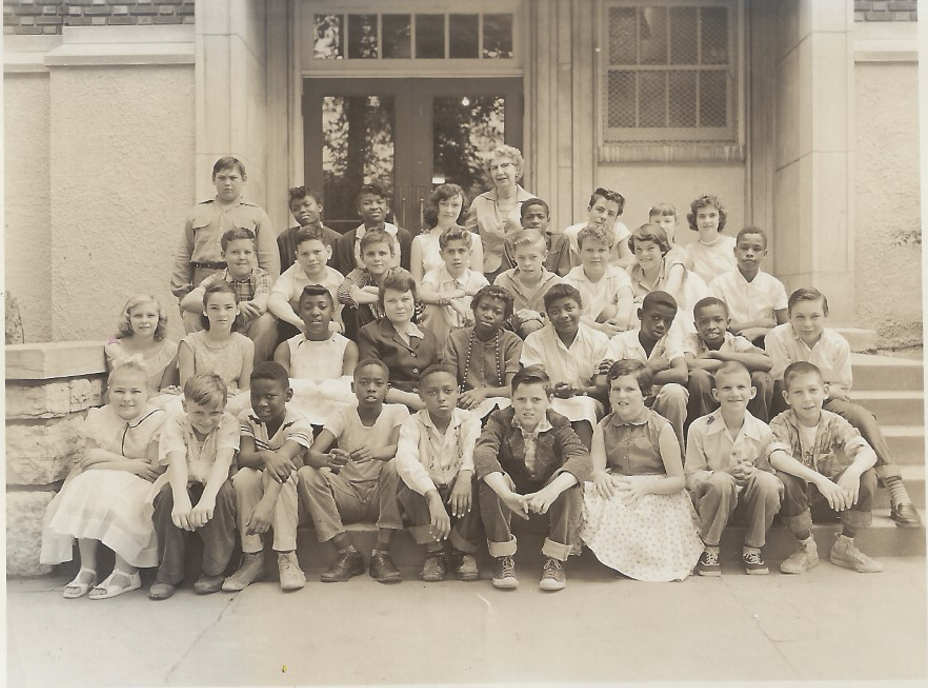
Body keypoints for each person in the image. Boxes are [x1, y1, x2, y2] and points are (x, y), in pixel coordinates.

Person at [765, 287, 921, 526]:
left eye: (815, 316)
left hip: (825, 403)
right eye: (800, 317)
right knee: (784, 390)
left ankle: (896, 490)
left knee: (861, 415)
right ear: (789, 316)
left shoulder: (838, 344)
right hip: (786, 400)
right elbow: (780, 379)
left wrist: (822, 391)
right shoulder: (778, 336)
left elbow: (841, 391)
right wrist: (821, 387)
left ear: (825, 316)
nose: (807, 324)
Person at [41, 361, 166, 599]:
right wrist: (129, 464)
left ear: (147, 393)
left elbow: (151, 468)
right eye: (119, 391)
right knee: (84, 484)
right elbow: (88, 461)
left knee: (121, 494)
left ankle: (126, 571)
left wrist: (105, 458)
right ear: (109, 392)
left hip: (141, 484)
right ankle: (87, 568)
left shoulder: (157, 419)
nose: (126, 398)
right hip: (110, 476)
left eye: (135, 392)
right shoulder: (99, 416)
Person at [474, 366, 594, 592]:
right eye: (521, 399)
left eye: (536, 400)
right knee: (491, 480)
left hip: (545, 503)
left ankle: (556, 560)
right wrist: (507, 495)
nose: (528, 407)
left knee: (570, 481)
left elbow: (582, 458)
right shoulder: (500, 420)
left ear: (549, 400)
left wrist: (551, 491)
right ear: (512, 399)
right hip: (512, 503)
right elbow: (483, 453)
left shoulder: (558, 423)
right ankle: (502, 557)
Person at [581, 360, 702, 581]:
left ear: (645, 393)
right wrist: (598, 474)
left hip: (655, 487)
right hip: (620, 482)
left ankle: (644, 561)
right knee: (596, 495)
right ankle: (620, 558)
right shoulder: (604, 427)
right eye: (616, 389)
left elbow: (678, 480)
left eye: (629, 389)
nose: (621, 396)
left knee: (645, 508)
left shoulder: (661, 428)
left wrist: (646, 486)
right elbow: (595, 469)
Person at [297, 359, 408, 583]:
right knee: (307, 473)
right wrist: (329, 459)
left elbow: (398, 449)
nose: (371, 388)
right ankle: (347, 552)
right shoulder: (343, 413)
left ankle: (382, 553)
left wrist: (375, 452)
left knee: (396, 465)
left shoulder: (398, 410)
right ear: (352, 387)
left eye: (378, 383)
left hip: (381, 495)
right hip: (347, 494)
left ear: (387, 388)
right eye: (364, 382)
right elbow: (311, 455)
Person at [768, 362, 883, 574]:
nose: (807, 398)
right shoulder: (780, 423)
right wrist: (820, 481)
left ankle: (845, 546)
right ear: (787, 397)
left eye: (813, 390)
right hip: (797, 502)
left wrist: (853, 472)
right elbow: (776, 458)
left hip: (832, 500)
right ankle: (806, 548)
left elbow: (869, 453)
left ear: (825, 391)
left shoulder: (836, 422)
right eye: (798, 392)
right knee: (784, 478)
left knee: (867, 473)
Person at [684, 361, 786, 576]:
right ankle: (710, 547)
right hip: (713, 502)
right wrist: (721, 475)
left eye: (741, 387)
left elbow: (769, 474)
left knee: (768, 483)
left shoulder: (762, 430)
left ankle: (753, 546)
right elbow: (690, 476)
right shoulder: (700, 427)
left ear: (752, 392)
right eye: (727, 388)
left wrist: (754, 473)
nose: (734, 394)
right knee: (721, 482)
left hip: (749, 505)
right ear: (715, 393)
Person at [222, 362, 313, 593]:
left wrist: (265, 505)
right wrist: (265, 456)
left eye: (270, 396)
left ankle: (287, 556)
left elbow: (282, 466)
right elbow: (244, 457)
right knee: (244, 476)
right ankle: (253, 558)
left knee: (287, 474)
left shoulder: (300, 423)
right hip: (258, 501)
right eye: (256, 396)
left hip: (291, 504)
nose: (262, 403)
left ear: (288, 394)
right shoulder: (247, 418)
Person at [148, 374, 239, 600]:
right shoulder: (175, 422)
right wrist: (181, 499)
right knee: (167, 495)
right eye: (198, 412)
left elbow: (223, 461)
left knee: (224, 493)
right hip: (184, 481)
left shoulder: (229, 423)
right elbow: (176, 460)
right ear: (184, 405)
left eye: (214, 413)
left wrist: (207, 499)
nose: (206, 420)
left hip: (214, 483)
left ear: (224, 408)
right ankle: (169, 573)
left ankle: (214, 570)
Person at [394, 364, 483, 582]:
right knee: (411, 483)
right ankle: (435, 552)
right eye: (432, 393)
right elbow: (406, 459)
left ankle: (464, 551)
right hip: (429, 500)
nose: (441, 398)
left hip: (459, 496)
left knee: (477, 481)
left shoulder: (469, 420)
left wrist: (464, 475)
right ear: (421, 395)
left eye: (448, 391)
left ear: (458, 391)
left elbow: (474, 450)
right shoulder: (412, 423)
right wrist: (431, 495)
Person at [170, 156, 278, 305]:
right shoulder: (197, 213)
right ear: (213, 179)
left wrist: (265, 295)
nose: (227, 183)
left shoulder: (256, 214)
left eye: (233, 178)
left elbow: (269, 260)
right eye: (222, 178)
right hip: (204, 279)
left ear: (244, 179)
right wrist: (182, 294)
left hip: (243, 283)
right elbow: (184, 254)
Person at [521, 283, 609, 449]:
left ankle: (582, 462)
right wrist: (553, 390)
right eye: (555, 311)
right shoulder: (535, 340)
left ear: (581, 309)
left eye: (569, 308)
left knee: (583, 406)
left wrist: (577, 390)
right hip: (548, 398)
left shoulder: (598, 339)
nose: (563, 315)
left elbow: (601, 387)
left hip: (587, 399)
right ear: (547, 315)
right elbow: (533, 384)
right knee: (542, 409)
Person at [599, 291, 689, 449]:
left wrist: (638, 375)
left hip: (659, 403)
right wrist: (649, 368)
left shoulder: (670, 340)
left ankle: (675, 449)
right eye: (655, 317)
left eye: (668, 321)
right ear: (640, 314)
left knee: (675, 392)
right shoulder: (621, 341)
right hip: (628, 402)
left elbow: (681, 374)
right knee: (623, 392)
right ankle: (625, 450)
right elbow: (602, 380)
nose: (661, 324)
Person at [180, 227, 278, 362]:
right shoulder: (217, 279)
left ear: (254, 255)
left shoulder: (261, 277)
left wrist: (227, 307)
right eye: (235, 252)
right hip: (220, 329)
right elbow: (187, 301)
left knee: (266, 320)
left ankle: (252, 371)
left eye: (247, 252)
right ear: (223, 255)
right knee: (190, 315)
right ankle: (203, 363)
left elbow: (259, 307)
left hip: (247, 335)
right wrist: (235, 306)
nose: (242, 257)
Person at [274, 285, 358, 427]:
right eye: (308, 307)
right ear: (300, 313)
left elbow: (348, 388)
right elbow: (282, 388)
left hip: (336, 416)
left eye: (322, 307)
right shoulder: (286, 348)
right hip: (296, 416)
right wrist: (323, 389)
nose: (315, 312)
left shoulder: (347, 346)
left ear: (332, 311)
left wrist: (306, 388)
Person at [358, 269, 440, 412]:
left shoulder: (428, 336)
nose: (400, 306)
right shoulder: (371, 333)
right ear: (382, 305)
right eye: (392, 301)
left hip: (426, 406)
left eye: (405, 299)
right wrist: (413, 401)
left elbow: (435, 377)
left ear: (414, 301)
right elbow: (371, 382)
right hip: (389, 408)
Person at [684, 297, 774, 423]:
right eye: (704, 322)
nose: (711, 326)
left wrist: (717, 355)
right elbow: (689, 364)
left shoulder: (735, 341)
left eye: (718, 320)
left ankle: (756, 428)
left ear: (727, 322)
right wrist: (736, 362)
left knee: (763, 377)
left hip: (736, 395)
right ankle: (704, 429)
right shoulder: (693, 340)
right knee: (699, 377)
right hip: (707, 398)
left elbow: (767, 363)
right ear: (696, 325)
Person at [443, 285, 523, 420]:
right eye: (484, 308)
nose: (488, 315)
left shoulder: (512, 342)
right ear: (474, 309)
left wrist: (484, 392)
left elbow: (512, 389)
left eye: (497, 312)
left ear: (505, 318)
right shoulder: (456, 339)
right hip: (464, 403)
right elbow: (448, 382)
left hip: (500, 404)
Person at [175, 281, 254, 416]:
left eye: (228, 307)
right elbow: (186, 388)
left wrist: (231, 396)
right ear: (205, 310)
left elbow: (245, 389)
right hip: (199, 402)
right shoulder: (189, 343)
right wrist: (216, 394)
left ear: (237, 309)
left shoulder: (246, 344)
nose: (222, 314)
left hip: (232, 402)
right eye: (214, 308)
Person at [464, 145, 536, 281]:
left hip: (523, 270)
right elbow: (469, 240)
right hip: (487, 272)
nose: (500, 172)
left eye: (505, 165)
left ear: (517, 169)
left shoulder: (532, 202)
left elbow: (539, 240)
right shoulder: (480, 202)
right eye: (494, 168)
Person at [709, 226, 788, 347]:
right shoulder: (719, 284)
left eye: (756, 249)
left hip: (768, 344)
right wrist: (762, 322)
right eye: (744, 248)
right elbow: (720, 326)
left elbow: (785, 327)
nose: (749, 253)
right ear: (735, 251)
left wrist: (760, 330)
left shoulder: (774, 285)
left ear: (764, 254)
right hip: (729, 346)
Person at [627, 222, 708, 335]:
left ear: (662, 249)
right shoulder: (632, 270)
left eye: (650, 248)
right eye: (638, 249)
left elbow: (665, 300)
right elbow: (622, 301)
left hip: (674, 323)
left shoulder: (674, 266)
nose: (644, 254)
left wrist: (643, 300)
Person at [268, 225, 345, 338]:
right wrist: (299, 323)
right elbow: (275, 300)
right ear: (297, 256)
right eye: (304, 254)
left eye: (317, 252)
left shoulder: (337, 279)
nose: (311, 258)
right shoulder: (292, 273)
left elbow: (340, 317)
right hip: (298, 328)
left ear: (328, 252)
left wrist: (337, 326)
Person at [418, 226, 489, 344]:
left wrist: (469, 298)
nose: (456, 257)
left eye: (461, 251)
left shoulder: (477, 279)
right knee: (436, 307)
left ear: (470, 253)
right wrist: (452, 299)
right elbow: (423, 294)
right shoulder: (435, 274)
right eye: (451, 252)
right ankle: (438, 356)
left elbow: (493, 298)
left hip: (470, 341)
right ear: (442, 254)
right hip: (439, 342)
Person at [104, 294, 178, 404]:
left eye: (150, 315)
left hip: (157, 405)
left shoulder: (170, 349)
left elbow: (165, 391)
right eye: (138, 316)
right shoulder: (115, 347)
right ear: (128, 319)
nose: (144, 320)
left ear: (159, 318)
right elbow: (117, 388)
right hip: (126, 403)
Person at [563, 224, 635, 337]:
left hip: (611, 331)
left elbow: (626, 297)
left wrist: (622, 318)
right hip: (581, 333)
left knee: (614, 311)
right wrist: (599, 329)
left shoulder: (618, 275)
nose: (595, 256)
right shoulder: (570, 280)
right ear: (579, 251)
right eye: (589, 250)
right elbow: (569, 314)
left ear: (610, 253)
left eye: (601, 250)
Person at [494, 229, 562, 338]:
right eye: (521, 258)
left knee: (531, 326)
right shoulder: (503, 280)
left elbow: (562, 320)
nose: (527, 263)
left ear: (544, 256)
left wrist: (539, 317)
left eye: (533, 257)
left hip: (545, 341)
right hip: (507, 339)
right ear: (513, 256)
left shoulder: (556, 283)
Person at [410, 183, 484, 284]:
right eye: (444, 204)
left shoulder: (474, 240)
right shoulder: (420, 242)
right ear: (435, 206)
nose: (449, 210)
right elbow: (416, 285)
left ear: (462, 208)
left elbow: (478, 284)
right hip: (430, 297)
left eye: (455, 205)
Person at [334, 183, 412, 272]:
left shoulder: (403, 236)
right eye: (367, 203)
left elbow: (407, 272)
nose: (374, 207)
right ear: (359, 210)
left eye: (379, 202)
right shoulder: (347, 240)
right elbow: (346, 275)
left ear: (387, 209)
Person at [336, 228, 395, 339]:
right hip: (367, 326)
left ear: (392, 256)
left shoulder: (398, 275)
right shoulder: (360, 274)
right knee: (352, 310)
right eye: (370, 254)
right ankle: (361, 350)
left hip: (394, 325)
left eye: (382, 253)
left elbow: (410, 297)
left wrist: (367, 291)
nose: (377, 259)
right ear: (362, 258)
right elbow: (342, 293)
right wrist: (379, 299)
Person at [279, 186, 342, 273]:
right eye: (296, 208)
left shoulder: (337, 239)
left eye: (307, 205)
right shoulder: (284, 239)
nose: (302, 210)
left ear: (319, 207)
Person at [563, 188, 633, 268]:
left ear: (616, 218)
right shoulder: (572, 233)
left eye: (610, 214)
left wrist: (600, 270)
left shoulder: (619, 230)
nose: (604, 217)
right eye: (600, 210)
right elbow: (568, 267)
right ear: (589, 210)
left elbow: (628, 260)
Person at [505, 198, 572, 277]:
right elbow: (509, 275)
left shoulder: (560, 241)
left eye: (540, 217)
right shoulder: (510, 243)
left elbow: (564, 275)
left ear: (548, 220)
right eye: (530, 217)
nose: (535, 221)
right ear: (521, 221)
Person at [683, 194, 736, 286]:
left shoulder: (733, 245)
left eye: (712, 215)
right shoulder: (689, 250)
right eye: (702, 216)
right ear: (695, 220)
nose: (707, 221)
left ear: (720, 218)